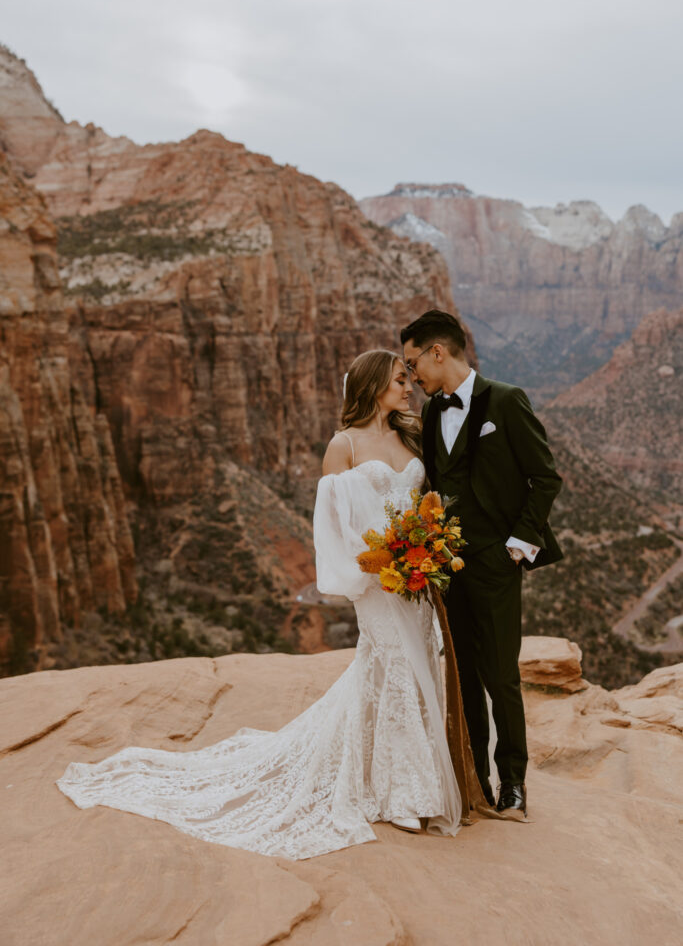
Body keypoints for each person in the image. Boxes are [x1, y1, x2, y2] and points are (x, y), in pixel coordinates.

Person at [56, 349, 462, 860]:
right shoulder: (344, 446)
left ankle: (398, 774)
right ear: (373, 384)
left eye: (409, 379)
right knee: (395, 665)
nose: (409, 388)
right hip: (381, 581)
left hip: (418, 581)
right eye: (401, 380)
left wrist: (425, 550)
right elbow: (331, 527)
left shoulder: (411, 435)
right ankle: (403, 793)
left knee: (414, 665)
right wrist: (379, 567)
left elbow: (430, 500)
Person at [401, 309, 563, 818]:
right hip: (447, 568)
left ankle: (513, 784)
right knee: (463, 677)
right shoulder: (431, 413)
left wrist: (517, 546)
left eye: (413, 365)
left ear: (438, 352)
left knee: (500, 676)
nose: (412, 378)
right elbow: (433, 485)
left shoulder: (507, 400)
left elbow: (545, 478)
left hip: (496, 561)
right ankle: (476, 782)